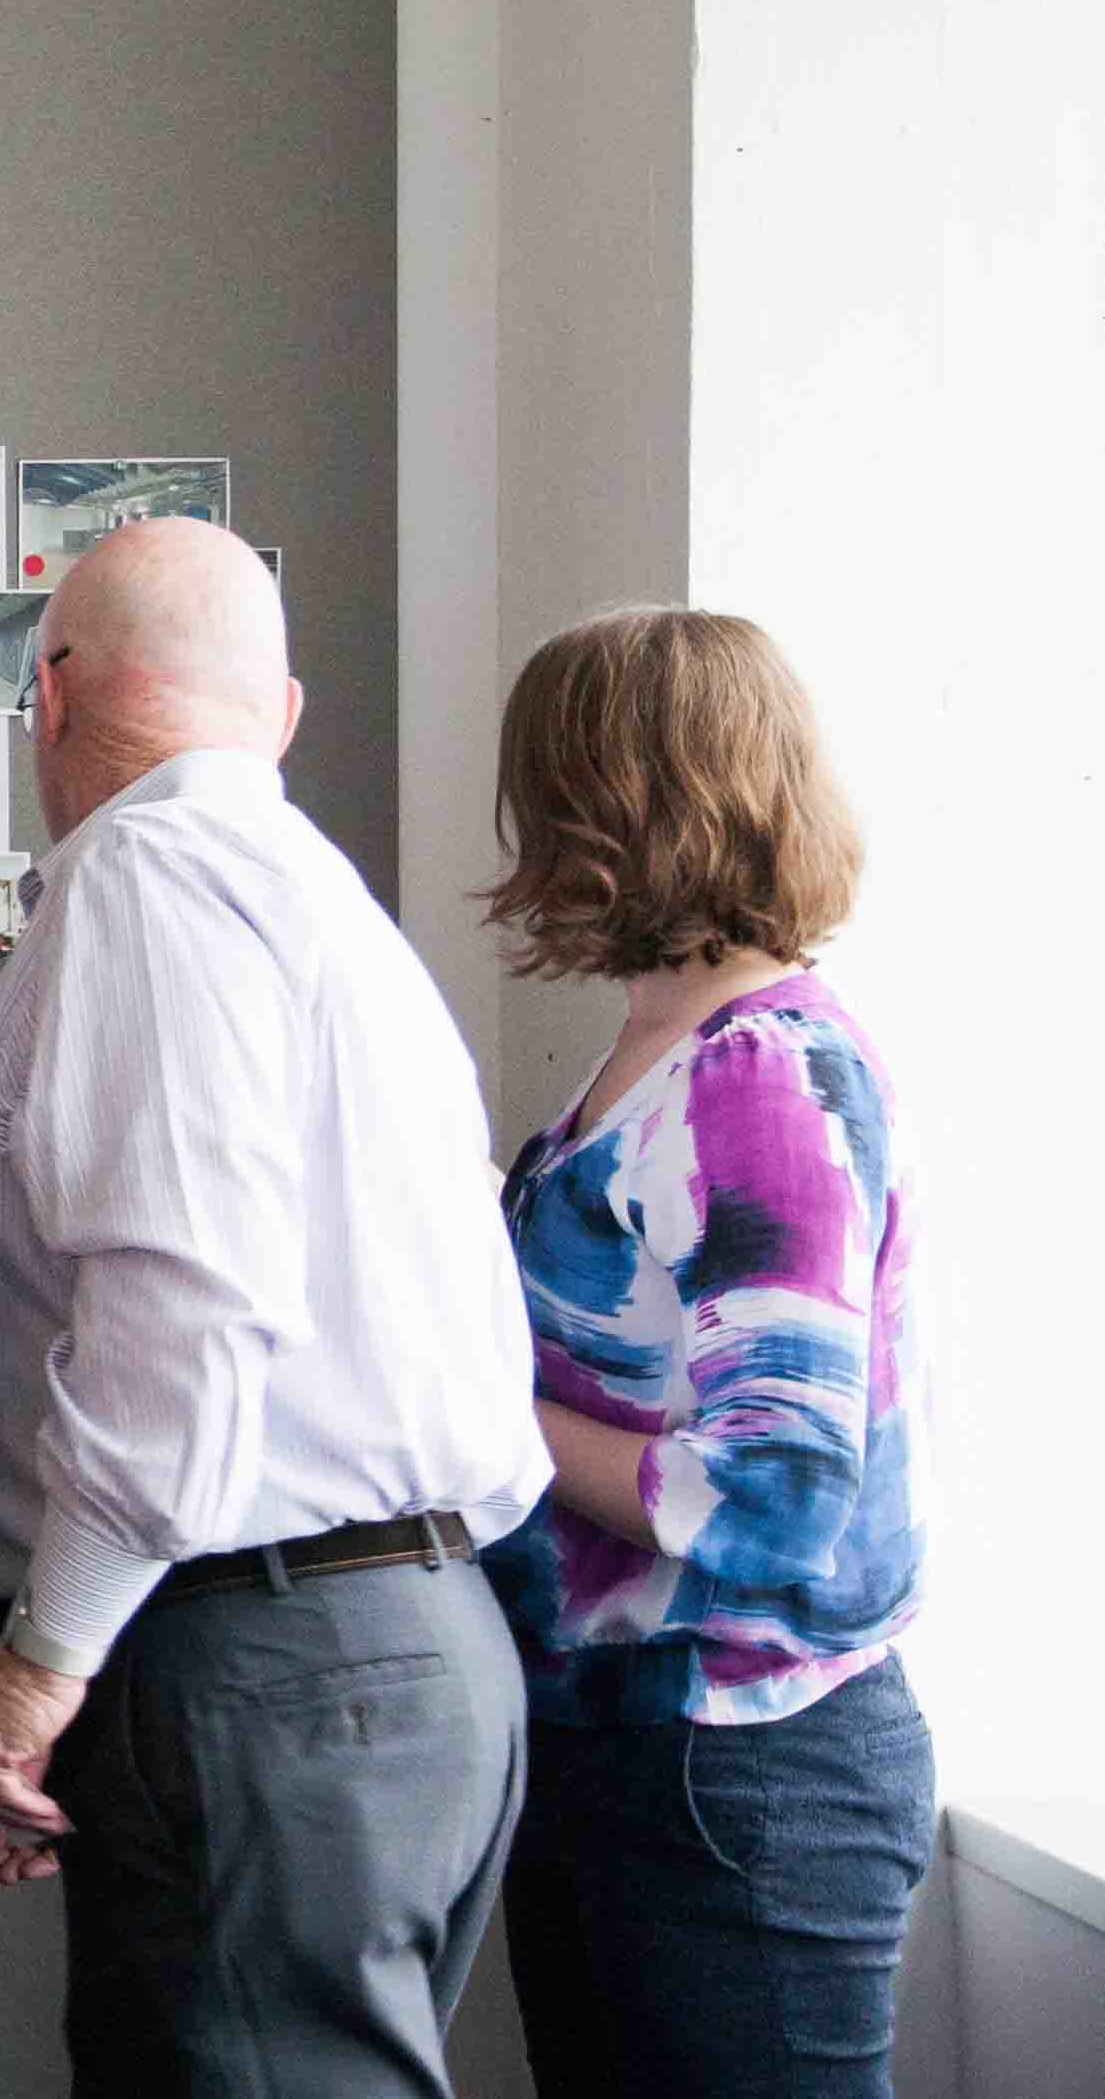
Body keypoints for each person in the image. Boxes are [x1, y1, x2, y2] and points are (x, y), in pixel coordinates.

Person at [0, 518, 550, 2097]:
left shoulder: (148, 874)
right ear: (278, 714)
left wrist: (43, 1660)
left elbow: (182, 1306)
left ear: (48, 700)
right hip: (388, 1650)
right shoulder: (314, 899)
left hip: (270, 1665)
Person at [477, 608, 932, 2097]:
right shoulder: (661, 1054)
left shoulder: (759, 1078)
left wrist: (472, 1402)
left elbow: (771, 1498)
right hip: (629, 1752)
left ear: (606, 804)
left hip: (738, 1767)